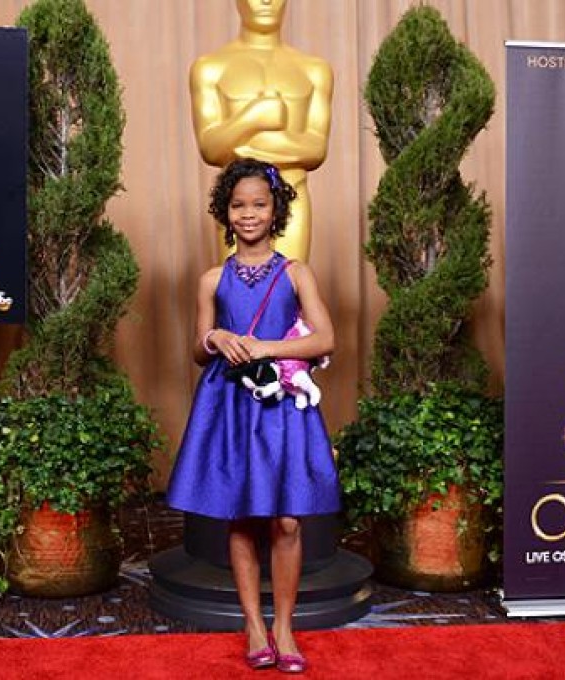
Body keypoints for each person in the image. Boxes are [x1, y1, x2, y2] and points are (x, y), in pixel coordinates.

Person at [166, 158, 339, 672]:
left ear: (276, 210)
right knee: (241, 515)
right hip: (228, 403)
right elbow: (198, 349)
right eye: (238, 205)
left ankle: (285, 626)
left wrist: (263, 346)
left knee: (286, 520)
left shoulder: (296, 273)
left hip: (280, 406)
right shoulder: (212, 279)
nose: (248, 214)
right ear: (225, 210)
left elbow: (326, 339)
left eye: (259, 205)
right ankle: (254, 626)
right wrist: (214, 336)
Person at [189, 0, 333, 262]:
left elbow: (316, 149)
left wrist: (245, 146)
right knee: (239, 291)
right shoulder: (210, 68)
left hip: (293, 194)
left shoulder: (314, 70)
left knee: (289, 289)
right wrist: (254, 117)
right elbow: (210, 147)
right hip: (237, 197)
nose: (267, 0)